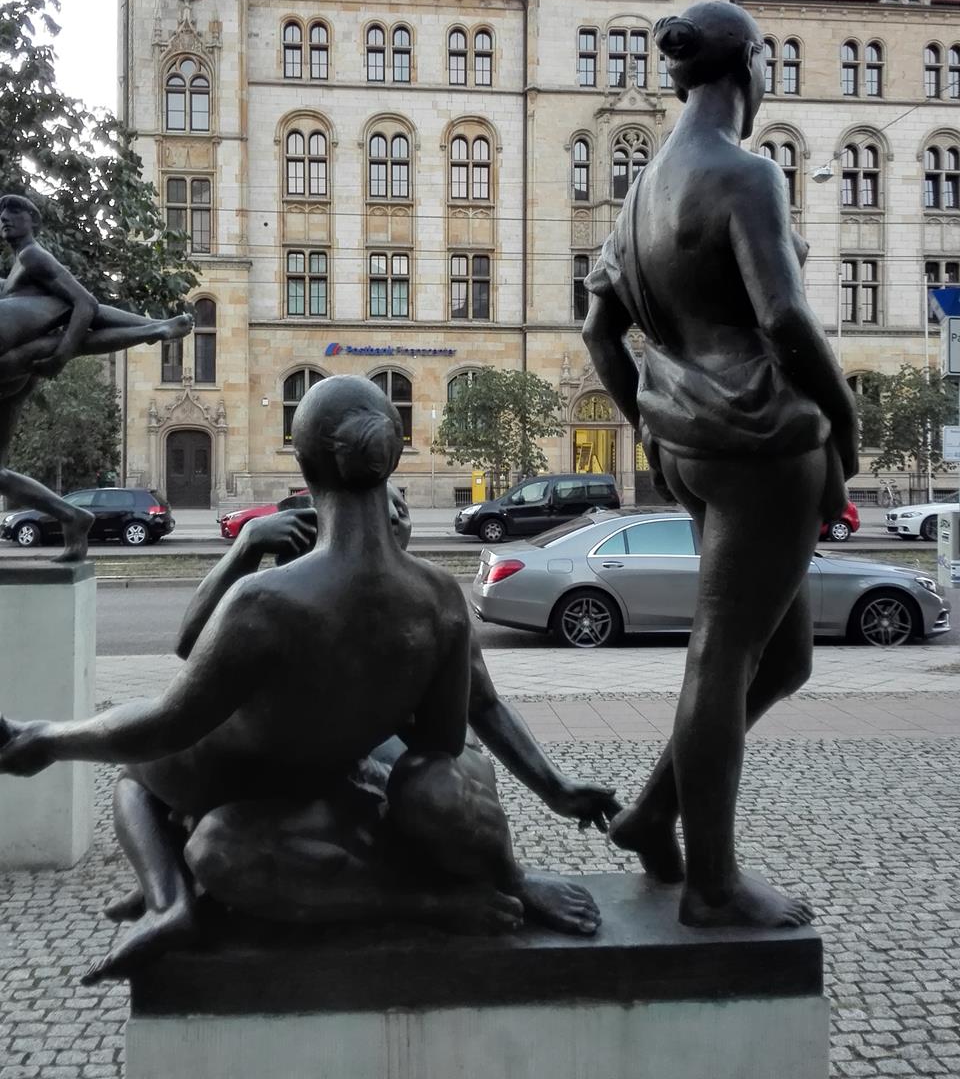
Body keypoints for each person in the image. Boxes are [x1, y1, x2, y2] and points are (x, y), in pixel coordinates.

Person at [0, 377, 604, 984]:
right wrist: (554, 789)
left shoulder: (265, 601)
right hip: (292, 789)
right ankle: (176, 899)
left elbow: (165, 725)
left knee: (181, 816)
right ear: (392, 461)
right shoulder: (440, 597)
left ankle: (175, 899)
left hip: (234, 779)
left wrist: (46, 739)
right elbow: (456, 731)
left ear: (304, 465)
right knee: (212, 832)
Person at [581, 2, 858, 929]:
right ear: (751, 68)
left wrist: (648, 425)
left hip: (691, 438)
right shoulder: (747, 173)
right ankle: (712, 885)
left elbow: (597, 332)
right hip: (761, 438)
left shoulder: (639, 194)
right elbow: (783, 316)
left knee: (785, 657)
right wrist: (845, 417)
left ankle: (652, 813)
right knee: (727, 651)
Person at [0, 194, 192, 561]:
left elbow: (86, 304)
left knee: (55, 331)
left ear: (33, 222)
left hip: (20, 360)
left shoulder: (34, 256)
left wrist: (61, 355)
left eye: (15, 213)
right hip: (17, 364)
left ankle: (155, 329)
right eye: (2, 215)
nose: (5, 219)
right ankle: (73, 516)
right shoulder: (18, 266)